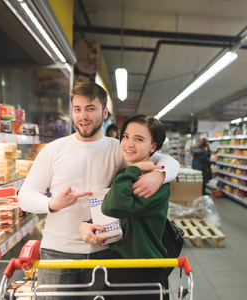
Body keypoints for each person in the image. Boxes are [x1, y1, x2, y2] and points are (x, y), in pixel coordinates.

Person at [18, 82, 180, 300]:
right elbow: (25, 195)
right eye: (77, 109)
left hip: (104, 253)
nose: (83, 116)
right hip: (58, 251)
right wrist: (51, 204)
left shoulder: (118, 148)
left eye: (90, 109)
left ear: (104, 112)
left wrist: (160, 174)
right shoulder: (54, 150)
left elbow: (163, 158)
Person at [100, 115, 170, 299]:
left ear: (153, 146)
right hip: (117, 264)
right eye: (126, 136)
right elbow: (114, 214)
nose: (129, 144)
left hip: (145, 268)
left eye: (139, 139)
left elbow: (113, 207)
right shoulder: (125, 174)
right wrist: (88, 223)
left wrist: (133, 169)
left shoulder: (155, 182)